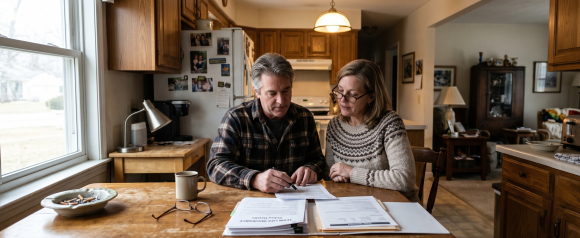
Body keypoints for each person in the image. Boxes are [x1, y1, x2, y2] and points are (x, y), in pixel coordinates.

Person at [207, 53, 325, 193]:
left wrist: (311, 169)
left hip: (296, 200)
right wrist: (254, 179)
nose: (281, 101)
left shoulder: (305, 117)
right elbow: (215, 166)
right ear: (257, 91)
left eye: (286, 91)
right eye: (272, 93)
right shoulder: (236, 118)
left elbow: (318, 160)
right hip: (248, 202)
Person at [325, 59, 418, 202]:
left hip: (394, 204)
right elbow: (330, 171)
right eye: (340, 91)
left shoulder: (389, 123)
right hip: (353, 202)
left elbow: (404, 179)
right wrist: (335, 174)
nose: (342, 99)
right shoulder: (334, 126)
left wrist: (352, 173)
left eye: (352, 94)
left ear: (371, 96)